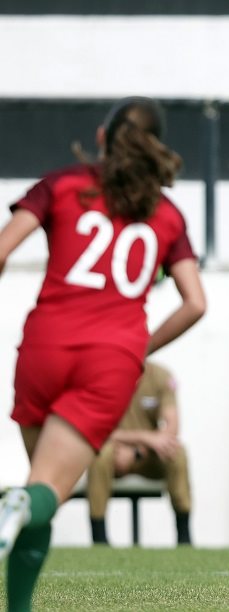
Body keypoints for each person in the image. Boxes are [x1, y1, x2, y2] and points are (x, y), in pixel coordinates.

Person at [0, 97, 206, 610]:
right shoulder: (167, 214)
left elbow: (1, 250)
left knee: (38, 491)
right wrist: (141, 346)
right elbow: (195, 303)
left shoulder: (63, 185)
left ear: (101, 136)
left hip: (43, 346)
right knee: (44, 492)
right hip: (109, 360)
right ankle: (17, 505)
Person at [86, 361, 193, 546]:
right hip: (115, 454)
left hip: (147, 457)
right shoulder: (102, 375)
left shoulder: (161, 376)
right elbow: (96, 429)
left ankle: (184, 538)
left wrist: (137, 452)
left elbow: (171, 427)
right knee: (102, 454)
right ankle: (99, 537)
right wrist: (145, 438)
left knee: (177, 452)